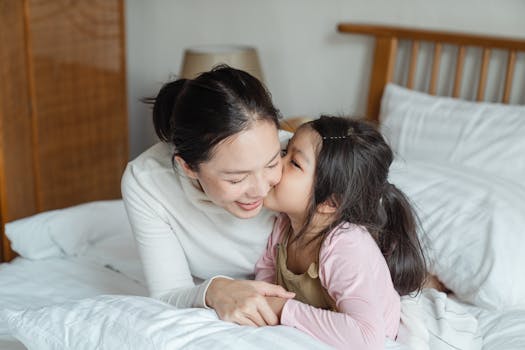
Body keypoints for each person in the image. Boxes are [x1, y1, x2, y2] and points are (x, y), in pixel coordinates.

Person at [121, 65, 296, 327]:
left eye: (272, 164)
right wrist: (215, 290)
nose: (261, 189)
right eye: (236, 178)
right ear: (188, 167)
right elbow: (169, 293)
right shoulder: (147, 182)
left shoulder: (301, 158)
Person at [255, 116, 427, 349]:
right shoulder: (283, 226)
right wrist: (264, 304)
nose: (277, 162)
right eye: (285, 150)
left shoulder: (344, 246)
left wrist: (284, 309)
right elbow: (267, 271)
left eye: (294, 163)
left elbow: (367, 338)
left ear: (330, 202)